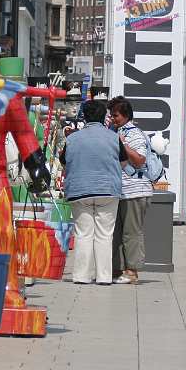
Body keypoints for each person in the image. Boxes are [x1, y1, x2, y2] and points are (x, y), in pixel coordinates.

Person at [60, 99, 127, 285]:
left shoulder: (72, 138)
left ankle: (81, 276)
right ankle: (104, 276)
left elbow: (63, 161)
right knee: (105, 234)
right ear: (104, 117)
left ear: (84, 117)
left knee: (83, 233)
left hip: (79, 190)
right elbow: (123, 161)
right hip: (108, 190)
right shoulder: (113, 137)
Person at [107, 96, 151, 284]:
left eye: (115, 115)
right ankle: (118, 269)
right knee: (117, 232)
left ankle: (132, 270)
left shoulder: (135, 134)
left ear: (126, 115)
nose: (113, 118)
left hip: (135, 190)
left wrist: (122, 144)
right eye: (111, 115)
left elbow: (140, 159)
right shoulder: (117, 131)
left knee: (131, 232)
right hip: (121, 190)